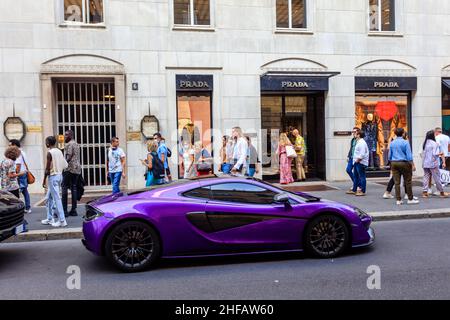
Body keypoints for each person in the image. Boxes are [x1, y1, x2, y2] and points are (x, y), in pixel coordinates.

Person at [41, 136, 68, 227]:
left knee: (56, 199)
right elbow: (65, 165)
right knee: (48, 198)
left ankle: (62, 220)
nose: (45, 143)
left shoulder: (50, 153)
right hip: (59, 176)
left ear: (48, 143)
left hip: (53, 177)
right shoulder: (59, 151)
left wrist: (44, 180)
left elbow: (47, 169)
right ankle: (50, 218)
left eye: (46, 142)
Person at [388, 128, 419, 205]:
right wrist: (412, 164)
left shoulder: (392, 143)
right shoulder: (405, 142)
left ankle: (398, 200)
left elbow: (389, 155)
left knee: (397, 182)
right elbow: (409, 155)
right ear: (402, 134)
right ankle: (410, 199)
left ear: (395, 134)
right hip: (404, 162)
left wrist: (391, 162)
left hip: (394, 162)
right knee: (408, 181)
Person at [422, 130, 448, 198]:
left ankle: (425, 192)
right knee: (437, 177)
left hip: (425, 163)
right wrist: (441, 153)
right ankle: (441, 192)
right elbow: (435, 154)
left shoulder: (425, 143)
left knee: (426, 177)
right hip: (433, 163)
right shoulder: (434, 143)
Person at [61, 130, 81, 217]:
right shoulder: (76, 143)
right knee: (74, 188)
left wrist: (63, 166)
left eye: (66, 135)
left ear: (70, 135)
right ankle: (74, 210)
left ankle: (64, 210)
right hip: (77, 168)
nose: (64, 136)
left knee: (64, 187)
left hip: (69, 168)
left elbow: (69, 156)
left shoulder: (69, 144)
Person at [9, 139, 31, 212]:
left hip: (20, 175)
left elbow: (18, 165)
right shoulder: (22, 152)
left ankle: (19, 209)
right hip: (23, 173)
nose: (9, 147)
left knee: (17, 192)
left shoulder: (17, 152)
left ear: (14, 145)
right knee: (25, 191)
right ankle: (27, 207)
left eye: (10, 145)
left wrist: (15, 175)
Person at [351, 130, 369, 196]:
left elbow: (362, 153)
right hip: (357, 162)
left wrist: (358, 160)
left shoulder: (362, 143)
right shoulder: (359, 142)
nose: (354, 134)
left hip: (360, 162)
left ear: (358, 135)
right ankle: (354, 190)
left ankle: (363, 191)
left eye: (356, 133)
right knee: (355, 176)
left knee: (362, 176)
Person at [345, 127, 359, 194]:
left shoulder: (359, 140)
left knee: (357, 173)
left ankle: (357, 186)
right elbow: (351, 148)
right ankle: (356, 184)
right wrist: (348, 156)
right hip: (351, 157)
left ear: (358, 132)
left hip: (356, 158)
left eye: (354, 132)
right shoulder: (353, 140)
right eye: (353, 132)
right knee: (348, 170)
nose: (353, 133)